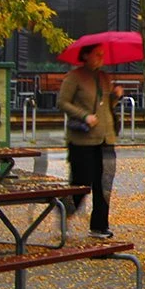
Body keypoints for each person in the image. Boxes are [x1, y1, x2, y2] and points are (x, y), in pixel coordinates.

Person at [59, 43, 119, 238]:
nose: (101, 58)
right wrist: (84, 115)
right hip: (83, 141)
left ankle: (99, 226)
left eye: (102, 54)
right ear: (85, 55)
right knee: (81, 184)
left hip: (105, 137)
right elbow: (62, 102)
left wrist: (115, 97)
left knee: (104, 184)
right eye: (97, 54)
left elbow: (105, 106)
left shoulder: (103, 77)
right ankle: (64, 213)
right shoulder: (74, 77)